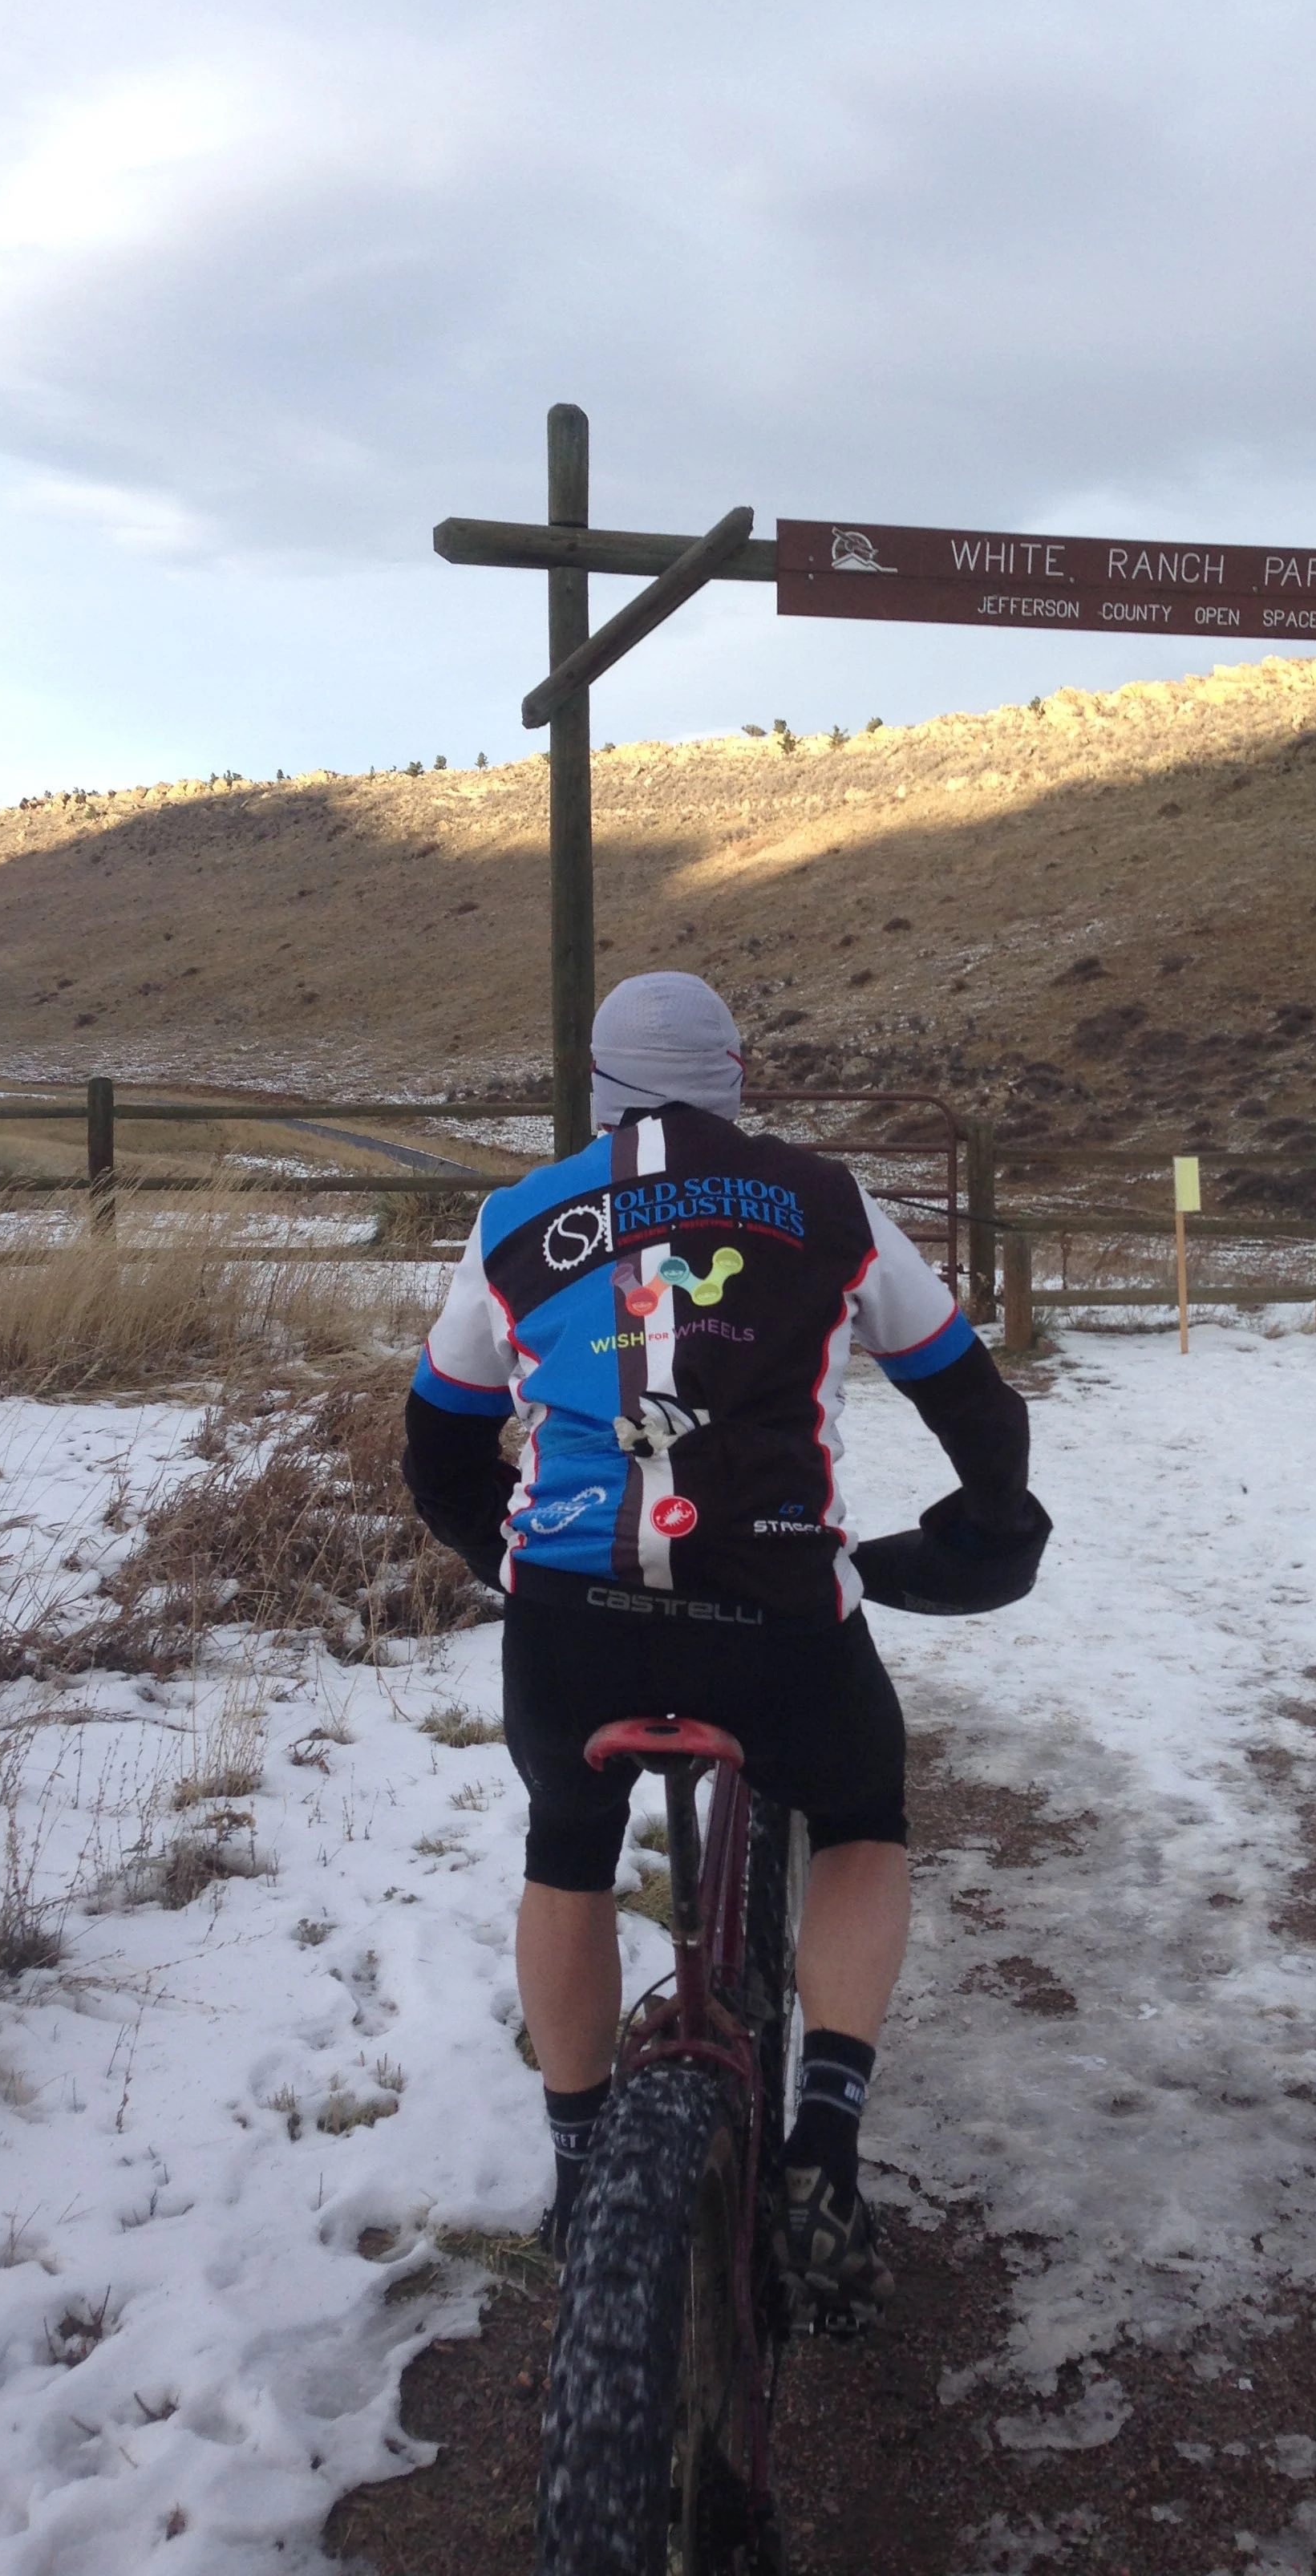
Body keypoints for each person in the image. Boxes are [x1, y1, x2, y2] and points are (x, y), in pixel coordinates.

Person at [401, 970, 1049, 2327]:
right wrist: (990, 1529)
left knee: (567, 1848)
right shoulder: (829, 1201)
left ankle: (580, 2166)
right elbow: (977, 1408)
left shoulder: (515, 1219)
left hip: (574, 1624)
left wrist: (513, 1567)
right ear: (735, 1079)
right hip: (775, 1617)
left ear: (598, 1088)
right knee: (862, 1815)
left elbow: (439, 1449)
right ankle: (826, 2138)